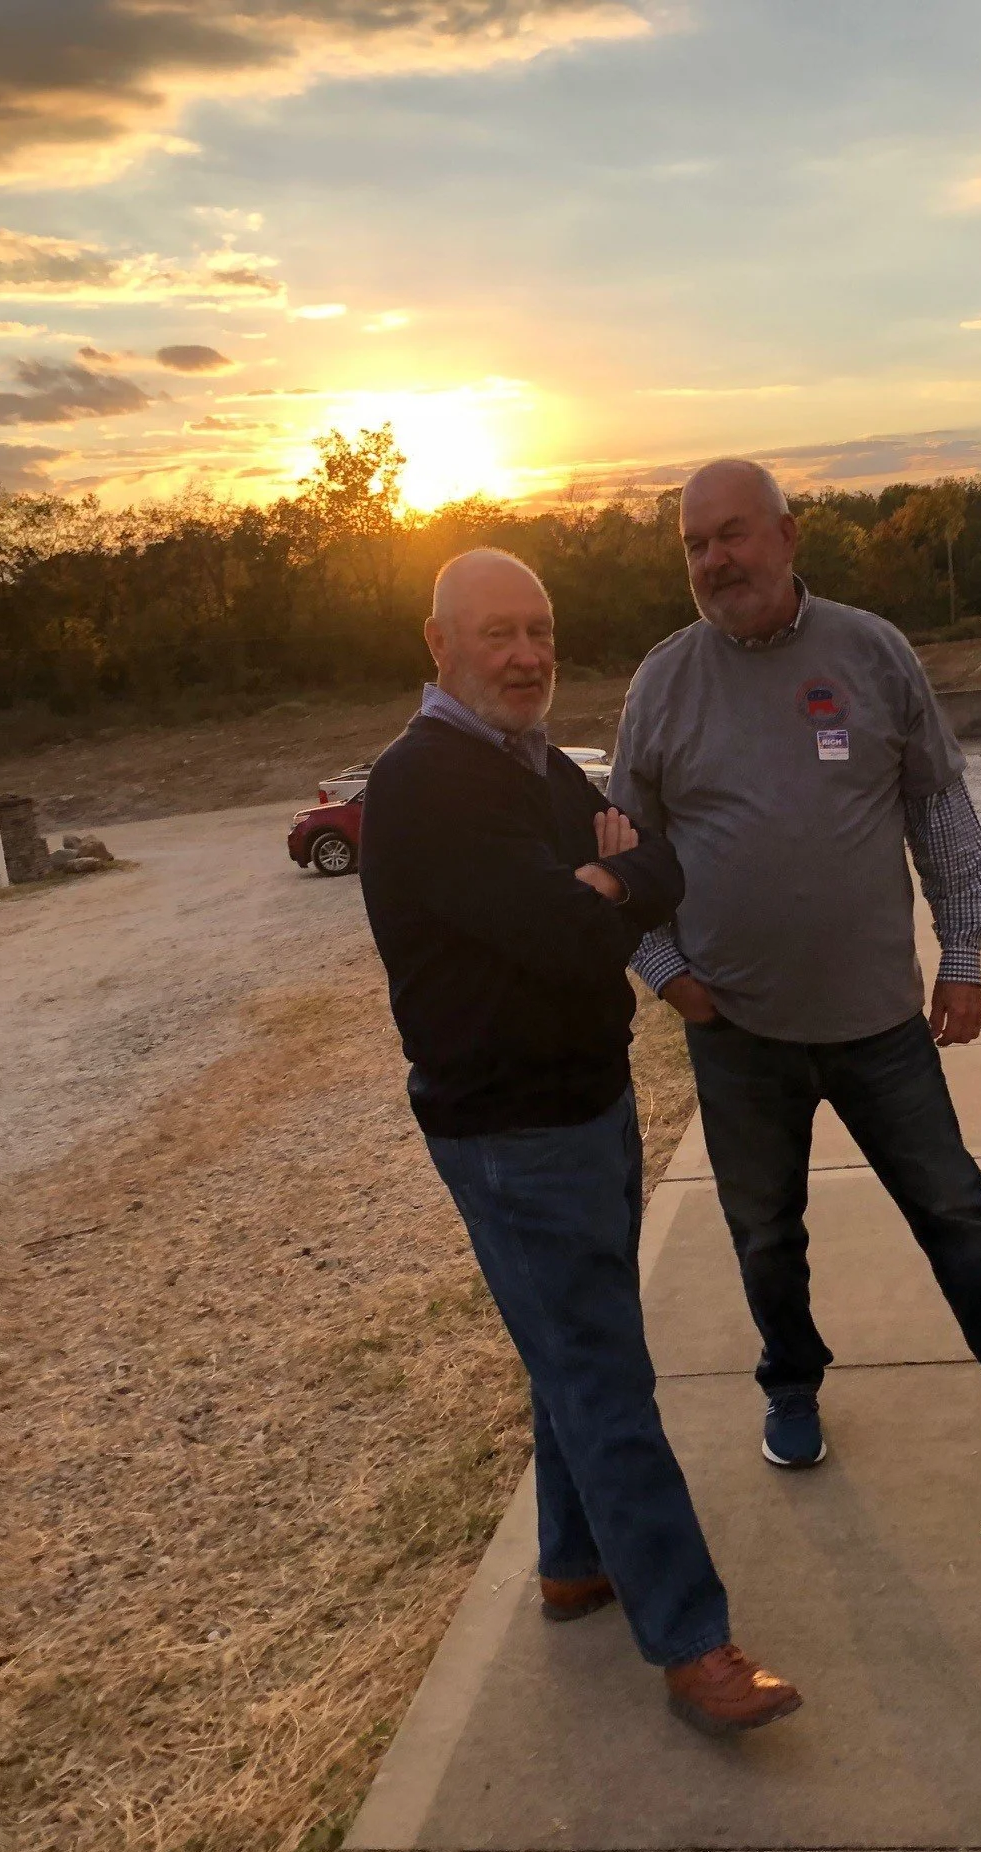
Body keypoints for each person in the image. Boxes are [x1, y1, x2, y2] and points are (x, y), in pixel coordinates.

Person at [358, 548, 800, 1737]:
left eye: (540, 631)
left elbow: (658, 865)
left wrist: (607, 876)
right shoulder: (426, 782)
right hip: (509, 1130)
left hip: (587, 1102)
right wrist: (606, 881)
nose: (526, 656)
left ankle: (571, 1562)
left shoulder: (539, 766)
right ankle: (693, 1644)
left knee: (576, 1351)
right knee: (604, 1376)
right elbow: (569, 932)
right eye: (497, 633)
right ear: (439, 645)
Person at [608, 461, 981, 1483]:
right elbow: (622, 853)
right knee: (764, 1234)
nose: (714, 560)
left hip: (879, 1026)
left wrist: (962, 959)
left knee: (956, 1213)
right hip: (736, 1033)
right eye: (694, 544)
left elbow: (941, 817)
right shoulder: (664, 682)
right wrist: (666, 971)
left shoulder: (870, 652)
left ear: (788, 535)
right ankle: (791, 1385)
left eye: (732, 534)